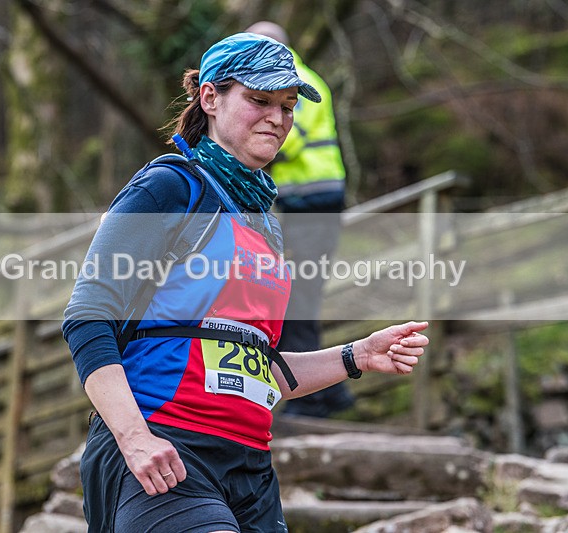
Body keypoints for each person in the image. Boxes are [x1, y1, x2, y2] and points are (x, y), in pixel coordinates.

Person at [62, 32, 429, 533]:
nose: (277, 118)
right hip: (165, 450)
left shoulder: (264, 221)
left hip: (249, 471)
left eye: (288, 105)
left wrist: (357, 356)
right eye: (259, 100)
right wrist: (134, 438)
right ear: (210, 98)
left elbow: (258, 370)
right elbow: (86, 317)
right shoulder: (169, 186)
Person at [246, 21, 352, 418]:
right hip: (304, 203)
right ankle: (331, 395)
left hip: (315, 201)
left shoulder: (297, 83)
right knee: (297, 294)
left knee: (297, 296)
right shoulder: (297, 78)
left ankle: (308, 401)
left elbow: (291, 139)